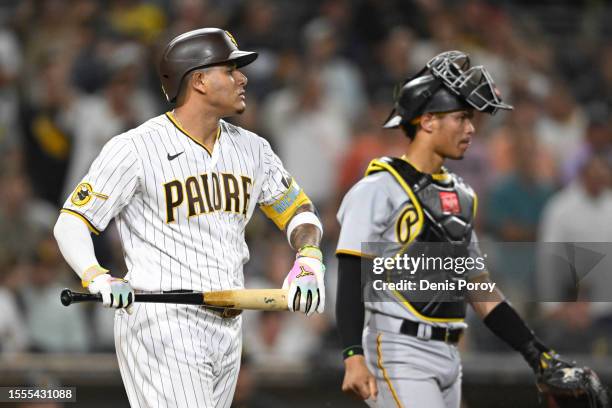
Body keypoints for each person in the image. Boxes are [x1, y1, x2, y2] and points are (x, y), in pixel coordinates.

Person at [53, 28, 325, 408]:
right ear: (198, 80)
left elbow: (298, 211)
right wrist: (95, 274)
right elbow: (72, 220)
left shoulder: (254, 149)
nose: (242, 77)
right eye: (230, 69)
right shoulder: (135, 148)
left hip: (229, 321)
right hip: (163, 319)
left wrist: (309, 258)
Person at [335, 51, 603, 407]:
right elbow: (351, 272)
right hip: (398, 350)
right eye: (462, 117)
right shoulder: (378, 189)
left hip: (448, 353)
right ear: (428, 120)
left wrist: (535, 352)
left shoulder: (459, 196)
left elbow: (479, 289)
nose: (471, 128)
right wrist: (352, 355)